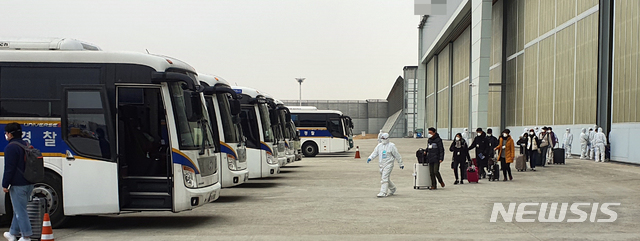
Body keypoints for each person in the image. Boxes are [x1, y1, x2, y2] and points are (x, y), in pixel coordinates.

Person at [3, 123, 34, 241]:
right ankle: (12, 233)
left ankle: (26, 236)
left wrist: (5, 184)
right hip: (29, 182)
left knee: (21, 211)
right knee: (19, 209)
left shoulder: (11, 148)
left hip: (18, 184)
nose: (5, 135)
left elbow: (9, 168)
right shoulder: (26, 144)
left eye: (6, 133)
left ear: (10, 134)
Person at [367, 133, 404, 198]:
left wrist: (400, 163)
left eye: (385, 138)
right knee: (386, 178)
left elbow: (397, 155)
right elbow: (375, 153)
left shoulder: (391, 146)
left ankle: (383, 192)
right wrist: (370, 158)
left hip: (389, 164)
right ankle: (393, 188)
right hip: (381, 164)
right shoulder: (379, 146)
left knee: (384, 178)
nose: (384, 140)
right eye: (382, 138)